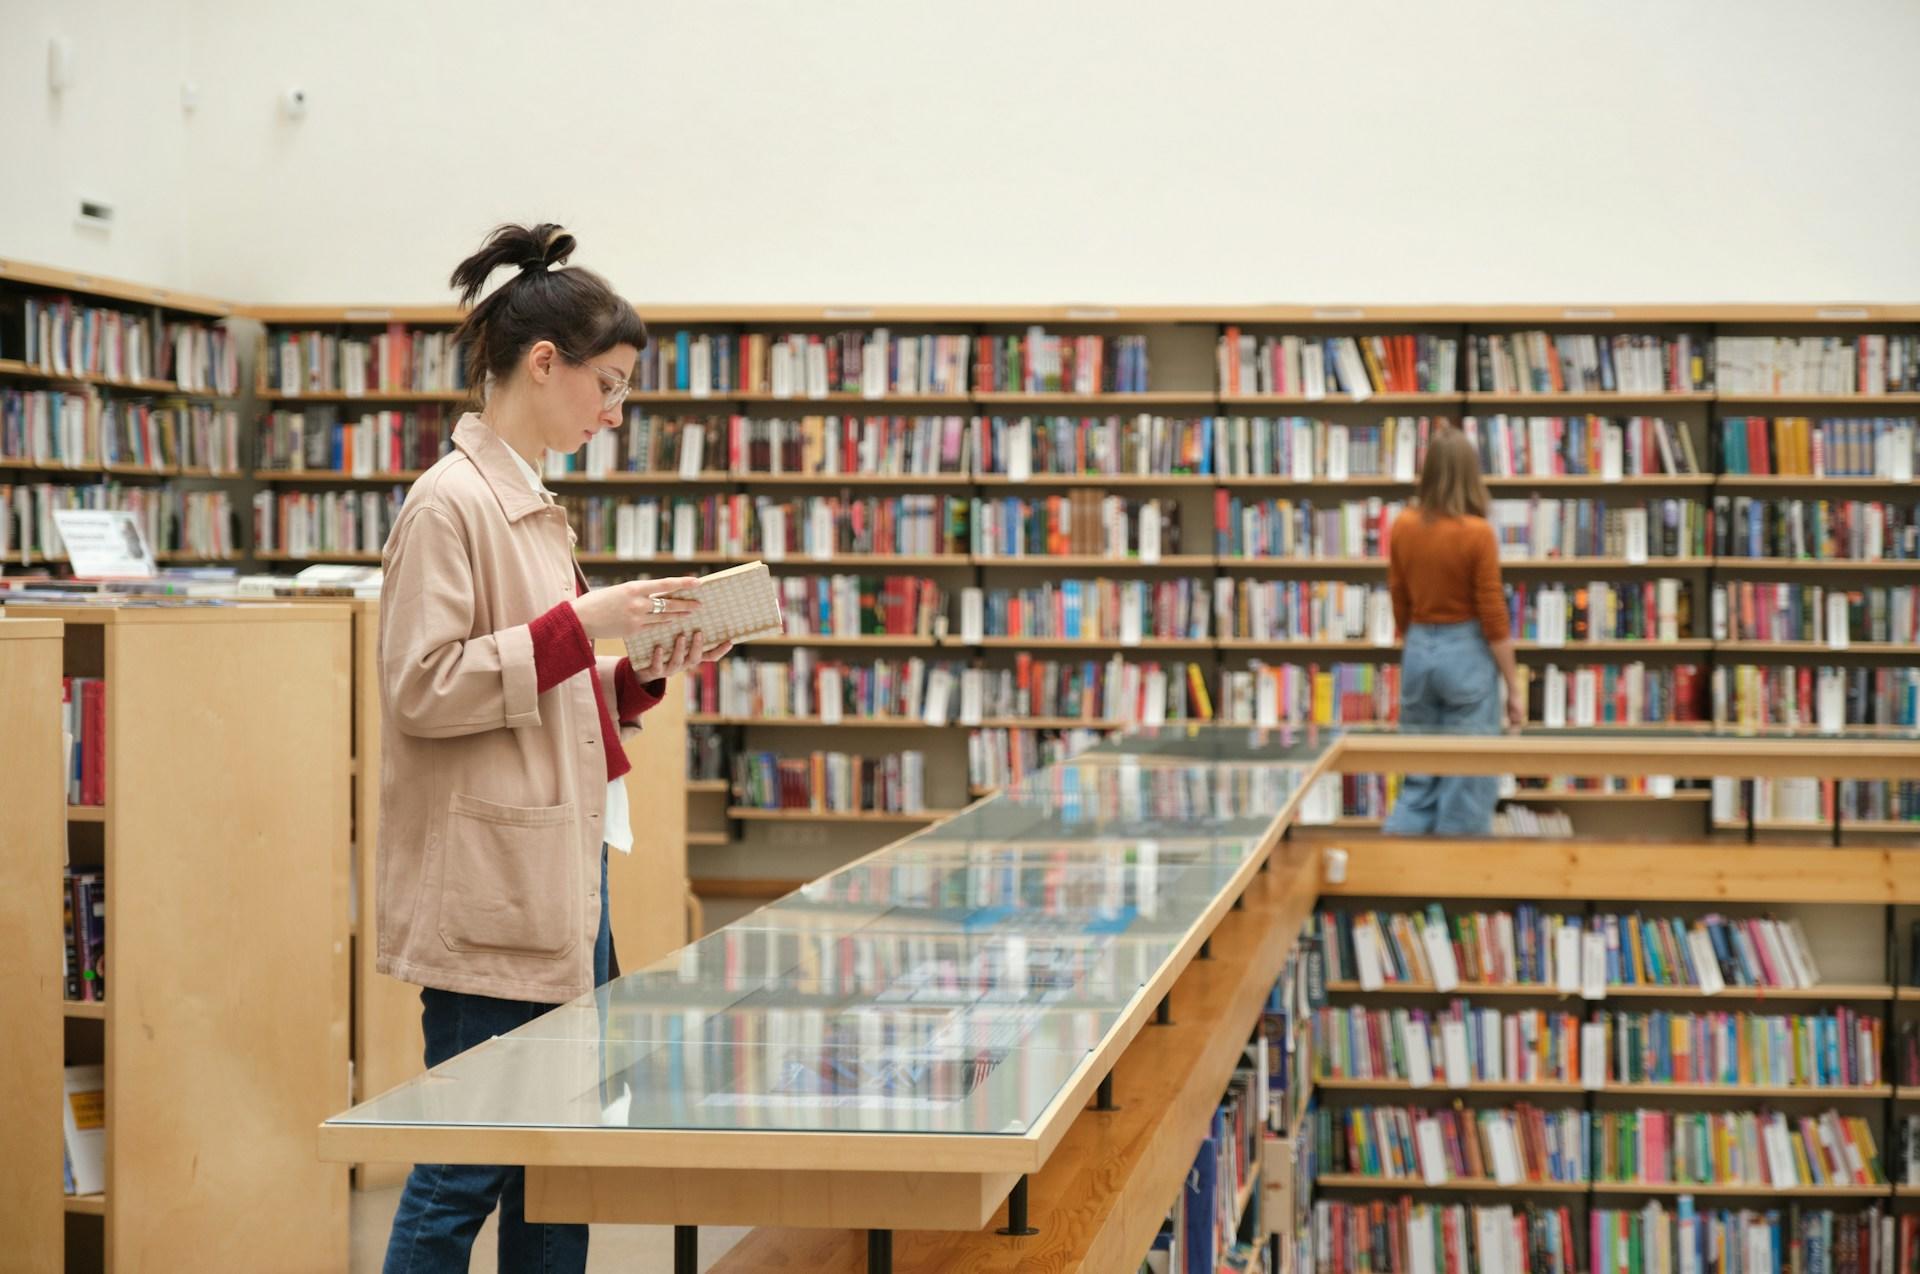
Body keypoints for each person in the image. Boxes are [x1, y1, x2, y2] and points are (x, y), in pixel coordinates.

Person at [376, 222, 730, 1273]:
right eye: (608, 384)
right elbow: (424, 687)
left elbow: (545, 688)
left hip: (562, 878)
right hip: (496, 886)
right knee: (469, 1159)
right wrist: (593, 620)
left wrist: (642, 668)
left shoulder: (531, 506)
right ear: (544, 364)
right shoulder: (449, 506)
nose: (615, 410)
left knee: (561, 1155)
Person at [1380, 425, 1522, 837]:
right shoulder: (1478, 534)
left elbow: (1398, 596)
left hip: (1419, 649)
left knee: (1419, 778)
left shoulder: (1403, 526)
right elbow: (1493, 616)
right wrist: (1513, 687)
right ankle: (1455, 890)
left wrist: (1419, 643)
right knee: (1468, 779)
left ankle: (1400, 878)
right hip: (1467, 652)